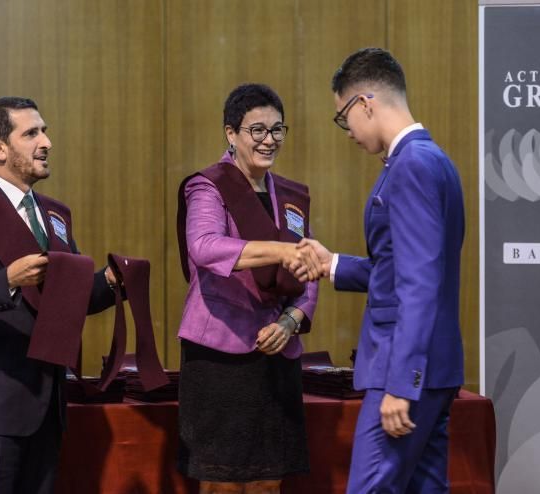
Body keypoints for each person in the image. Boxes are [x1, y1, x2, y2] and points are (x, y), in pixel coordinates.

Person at [0, 97, 118, 494]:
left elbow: (66, 301)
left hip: (46, 405)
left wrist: (112, 282)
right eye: (31, 133)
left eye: (44, 131)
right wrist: (7, 279)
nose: (46, 141)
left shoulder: (55, 214)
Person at [299, 48, 466, 493]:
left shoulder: (409, 167)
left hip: (405, 367)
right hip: (437, 367)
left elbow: (419, 284)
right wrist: (333, 264)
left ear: (365, 104)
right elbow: (406, 269)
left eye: (343, 118)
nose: (348, 132)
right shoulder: (435, 160)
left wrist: (401, 384)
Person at [176, 83, 320, 494]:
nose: (268, 140)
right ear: (231, 133)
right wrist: (279, 250)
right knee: (221, 482)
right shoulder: (208, 186)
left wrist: (292, 319)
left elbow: (307, 264)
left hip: (276, 349)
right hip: (220, 351)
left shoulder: (291, 196)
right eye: (256, 130)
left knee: (267, 480)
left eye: (277, 130)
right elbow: (203, 247)